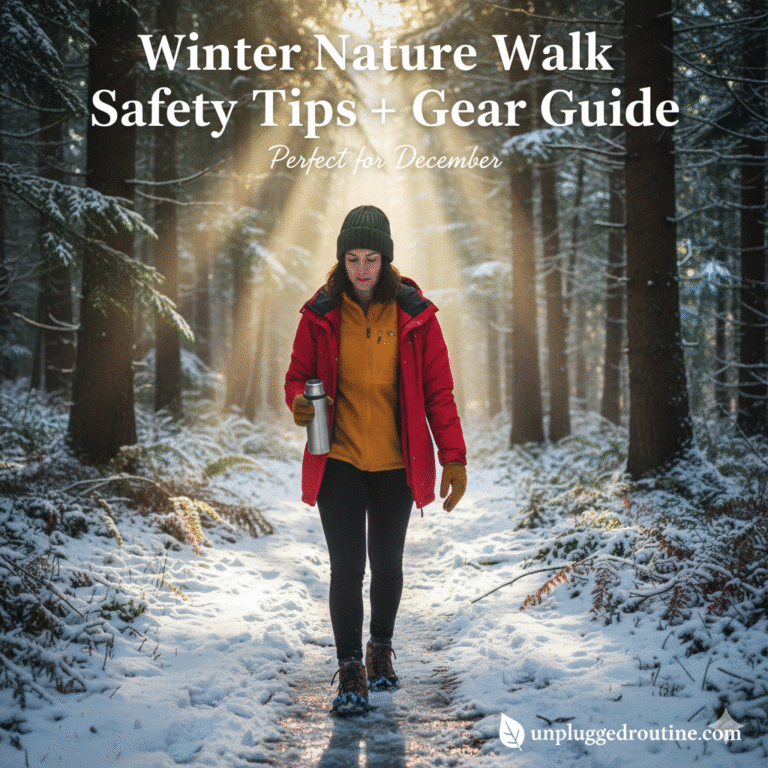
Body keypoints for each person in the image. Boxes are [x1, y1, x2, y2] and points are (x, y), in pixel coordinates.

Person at [284, 205, 467, 715]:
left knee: (387, 565)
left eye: (370, 258)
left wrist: (453, 457)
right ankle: (349, 669)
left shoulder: (415, 315)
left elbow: (439, 393)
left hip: (395, 464)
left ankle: (380, 650)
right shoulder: (321, 314)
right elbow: (296, 375)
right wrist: (298, 401)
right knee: (347, 567)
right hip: (337, 459)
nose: (361, 269)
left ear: (386, 259)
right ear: (340, 260)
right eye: (352, 258)